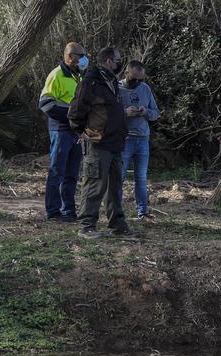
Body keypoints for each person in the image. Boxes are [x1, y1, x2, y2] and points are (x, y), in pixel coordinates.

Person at [68, 46, 133, 239]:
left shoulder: (112, 81)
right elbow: (75, 112)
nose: (121, 62)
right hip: (97, 143)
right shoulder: (90, 82)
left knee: (114, 187)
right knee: (94, 185)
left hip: (115, 143)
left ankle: (118, 225)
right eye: (118, 59)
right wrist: (83, 132)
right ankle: (86, 226)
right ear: (108, 61)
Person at [39, 42, 88, 222]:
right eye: (79, 56)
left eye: (84, 55)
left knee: (72, 173)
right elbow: (45, 104)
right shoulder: (57, 74)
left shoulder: (80, 75)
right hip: (60, 130)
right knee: (57, 172)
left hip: (77, 132)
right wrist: (70, 116)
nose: (83, 59)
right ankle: (53, 212)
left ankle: (68, 210)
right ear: (69, 57)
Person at [118, 61, 161, 221]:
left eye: (140, 79)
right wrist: (125, 113)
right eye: (134, 78)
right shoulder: (116, 88)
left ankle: (143, 212)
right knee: (119, 177)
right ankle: (116, 211)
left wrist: (146, 112)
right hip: (124, 139)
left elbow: (156, 113)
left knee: (141, 178)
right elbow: (107, 114)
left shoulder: (145, 89)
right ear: (126, 73)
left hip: (143, 139)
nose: (137, 82)